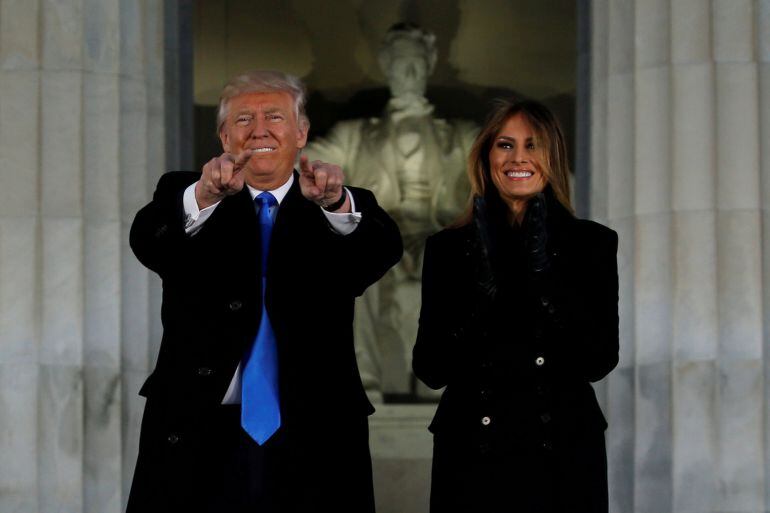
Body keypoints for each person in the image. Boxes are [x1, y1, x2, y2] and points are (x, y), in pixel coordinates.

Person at [126, 70, 402, 513]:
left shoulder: (340, 203)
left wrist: (335, 205)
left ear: (301, 132)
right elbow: (148, 243)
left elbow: (380, 255)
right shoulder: (188, 194)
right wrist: (205, 195)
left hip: (313, 433)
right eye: (242, 120)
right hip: (202, 431)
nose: (259, 130)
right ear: (223, 135)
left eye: (274, 116)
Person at [412, 98, 619, 513]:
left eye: (533, 144)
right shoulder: (449, 249)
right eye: (505, 145)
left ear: (552, 156)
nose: (518, 158)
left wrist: (544, 274)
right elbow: (430, 369)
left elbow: (599, 359)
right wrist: (484, 286)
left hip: (562, 452)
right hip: (473, 453)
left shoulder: (591, 243)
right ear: (487, 156)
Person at [306, 23, 477, 399]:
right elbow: (300, 163)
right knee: (354, 268)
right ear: (386, 65)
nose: (409, 73)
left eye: (416, 62)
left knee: (453, 262)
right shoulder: (354, 135)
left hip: (438, 233)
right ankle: (363, 381)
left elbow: (509, 163)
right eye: (400, 63)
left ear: (430, 63)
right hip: (378, 234)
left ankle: (442, 377)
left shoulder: (462, 135)